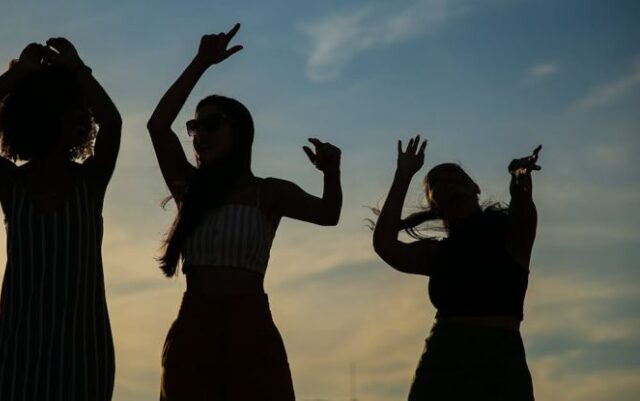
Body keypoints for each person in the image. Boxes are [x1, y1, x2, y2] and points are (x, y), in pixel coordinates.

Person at [147, 24, 342, 401]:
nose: (199, 133)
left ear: (239, 131)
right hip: (194, 326)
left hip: (250, 325)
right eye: (195, 126)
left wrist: (331, 173)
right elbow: (157, 126)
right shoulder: (189, 188)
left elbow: (327, 214)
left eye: (211, 123)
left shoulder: (268, 193)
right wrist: (200, 63)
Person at [0, 38, 121, 401]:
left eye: (81, 107)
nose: (82, 115)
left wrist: (79, 70)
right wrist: (17, 75)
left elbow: (112, 121)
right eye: (69, 107)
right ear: (43, 113)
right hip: (17, 354)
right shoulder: (12, 183)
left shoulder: (90, 182)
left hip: (83, 355)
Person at [372, 135, 540, 401]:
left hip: (502, 360)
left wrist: (519, 177)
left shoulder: (510, 234)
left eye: (455, 173)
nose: (449, 179)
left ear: (475, 186)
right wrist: (403, 175)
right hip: (444, 360)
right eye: (437, 180)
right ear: (433, 202)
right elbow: (385, 245)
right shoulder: (437, 252)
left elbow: (523, 205)